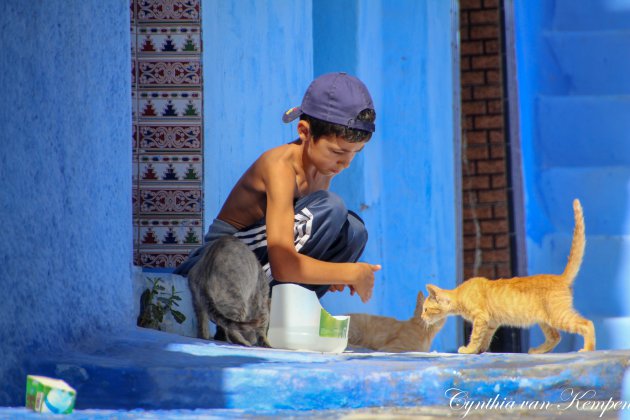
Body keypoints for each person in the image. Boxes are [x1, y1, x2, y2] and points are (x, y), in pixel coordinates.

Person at [174, 72, 381, 339]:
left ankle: (278, 320)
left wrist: (333, 272)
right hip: (216, 270)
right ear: (304, 132)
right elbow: (283, 264)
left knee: (353, 231)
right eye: (338, 152)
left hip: (258, 274)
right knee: (332, 208)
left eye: (355, 153)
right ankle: (247, 321)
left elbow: (301, 247)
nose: (346, 163)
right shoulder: (279, 167)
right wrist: (350, 272)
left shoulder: (322, 170)